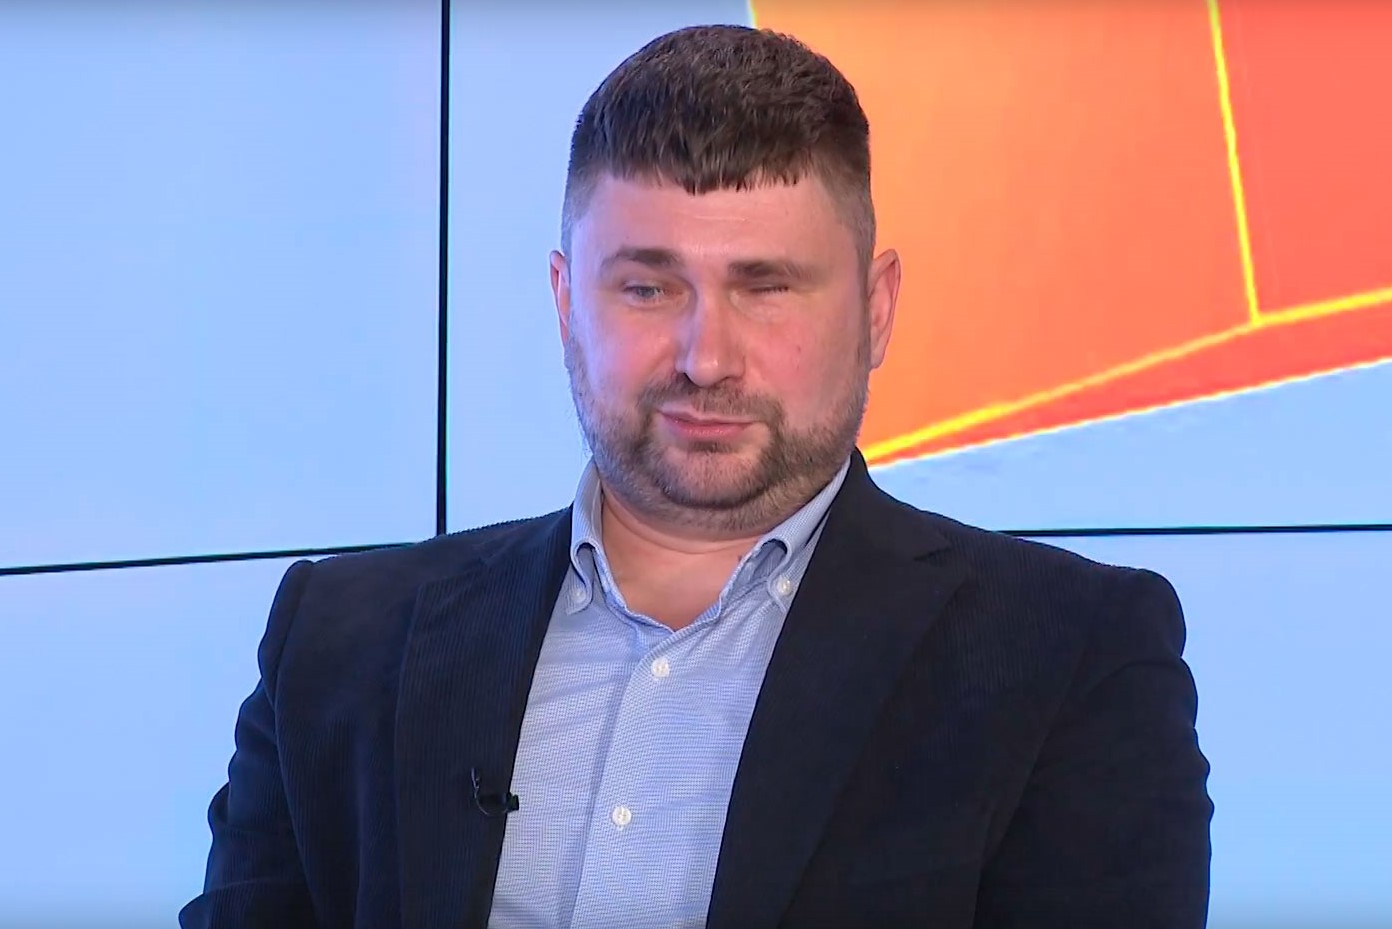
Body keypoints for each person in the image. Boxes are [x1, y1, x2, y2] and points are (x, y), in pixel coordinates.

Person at [181, 24, 1212, 929]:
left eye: (766, 287)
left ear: (876, 308)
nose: (705, 356)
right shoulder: (338, 639)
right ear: (565, 301)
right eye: (647, 286)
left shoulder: (1072, 655)